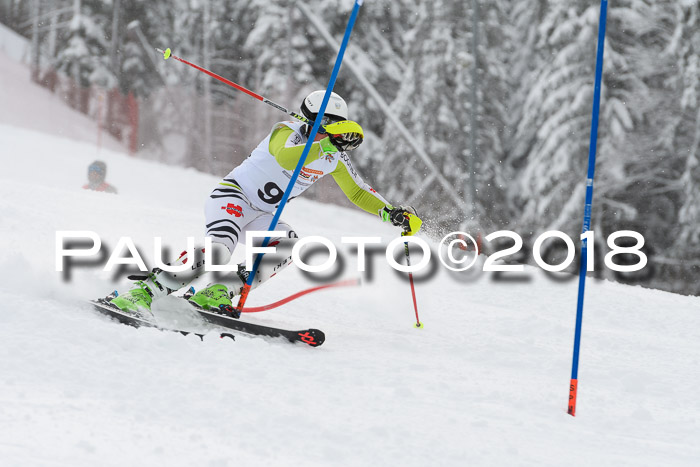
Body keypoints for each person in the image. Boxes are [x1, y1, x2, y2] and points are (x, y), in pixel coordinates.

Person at [106, 91, 422, 319]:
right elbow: (286, 158)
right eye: (325, 121)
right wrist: (325, 142)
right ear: (310, 117)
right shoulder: (284, 133)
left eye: (337, 123)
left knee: (288, 246)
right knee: (219, 250)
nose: (331, 127)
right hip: (232, 197)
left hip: (260, 214)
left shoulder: (333, 156)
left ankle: (217, 292)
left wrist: (391, 212)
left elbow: (358, 192)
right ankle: (143, 292)